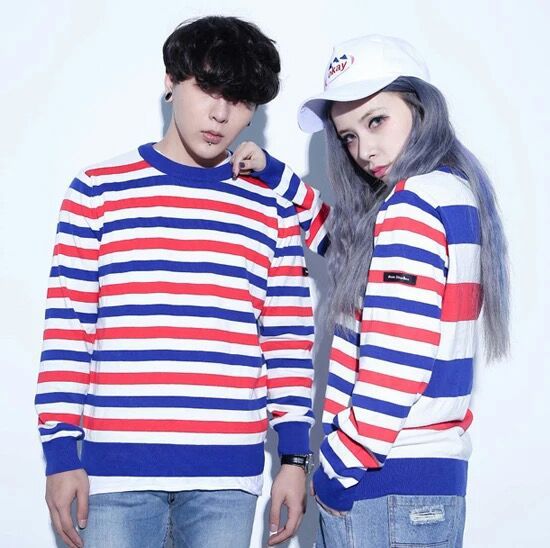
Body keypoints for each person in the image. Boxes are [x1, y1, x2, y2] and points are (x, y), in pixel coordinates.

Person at [35, 16, 315, 548]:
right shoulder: (98, 192)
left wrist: (295, 459)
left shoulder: (271, 206)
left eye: (239, 100)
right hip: (113, 477)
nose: (221, 114)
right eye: (207, 88)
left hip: (226, 481)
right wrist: (60, 454)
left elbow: (288, 339)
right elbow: (69, 331)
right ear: (171, 80)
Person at [231, 34, 509, 547]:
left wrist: (337, 470)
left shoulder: (410, 207)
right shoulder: (452, 191)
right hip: (430, 477)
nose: (364, 150)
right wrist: (276, 176)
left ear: (419, 106)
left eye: (376, 121)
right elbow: (349, 247)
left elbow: (398, 362)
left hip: (384, 481)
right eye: (348, 137)